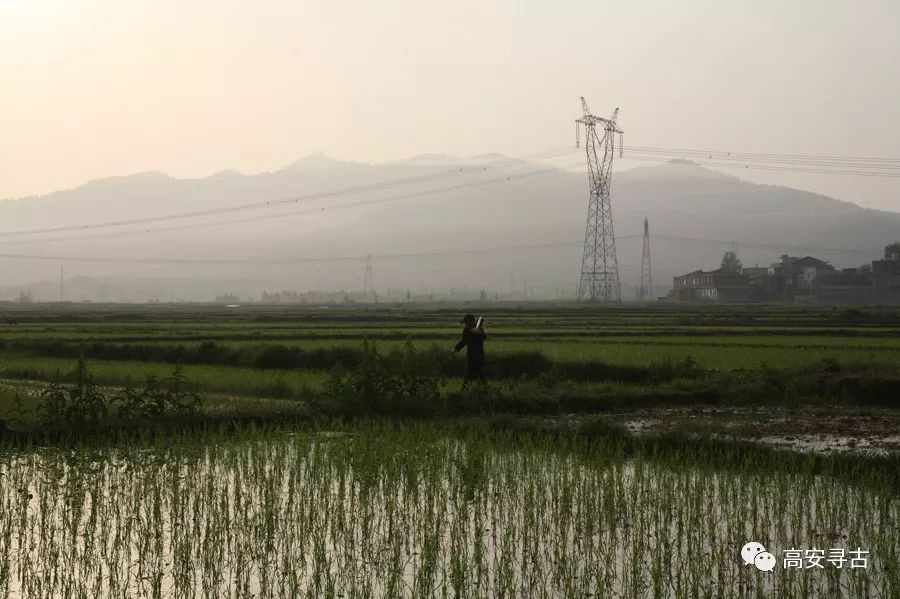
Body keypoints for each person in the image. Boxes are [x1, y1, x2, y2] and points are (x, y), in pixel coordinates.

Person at [452, 314, 487, 387]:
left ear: (472, 322)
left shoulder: (478, 330)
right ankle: (485, 391)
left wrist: (479, 333)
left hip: (479, 357)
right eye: (465, 323)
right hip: (471, 356)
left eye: (466, 322)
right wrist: (455, 349)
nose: (465, 324)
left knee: (471, 375)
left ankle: (464, 392)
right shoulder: (466, 330)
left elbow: (483, 337)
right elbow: (464, 341)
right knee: (479, 376)